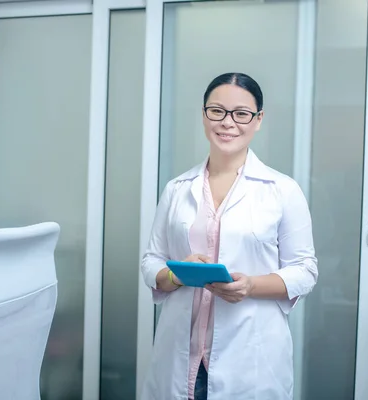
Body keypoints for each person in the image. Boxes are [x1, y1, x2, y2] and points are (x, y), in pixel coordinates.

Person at [140, 72, 318, 400]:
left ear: (258, 119)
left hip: (250, 356)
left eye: (241, 113)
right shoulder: (177, 189)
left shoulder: (282, 190)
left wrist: (250, 286)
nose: (227, 122)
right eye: (217, 111)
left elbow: (304, 270)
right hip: (182, 354)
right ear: (205, 114)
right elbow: (152, 259)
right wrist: (175, 274)